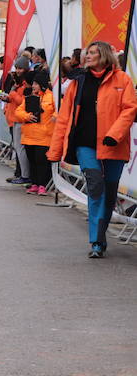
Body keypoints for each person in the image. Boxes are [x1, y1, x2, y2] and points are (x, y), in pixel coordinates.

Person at [47, 41, 137, 258]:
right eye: (87, 53)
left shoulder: (122, 80)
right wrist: (55, 151)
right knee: (95, 186)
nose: (87, 56)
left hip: (113, 146)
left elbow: (130, 109)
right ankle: (96, 241)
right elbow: (64, 119)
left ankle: (101, 233)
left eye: (93, 53)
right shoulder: (77, 82)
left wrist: (114, 135)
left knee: (109, 194)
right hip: (84, 145)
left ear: (104, 55)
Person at [14, 71, 54, 196]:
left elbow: (59, 112)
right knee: (32, 161)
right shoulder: (30, 97)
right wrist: (27, 116)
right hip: (29, 136)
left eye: (36, 84)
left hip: (44, 136)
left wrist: (54, 119)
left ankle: (43, 185)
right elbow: (18, 112)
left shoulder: (52, 97)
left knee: (41, 161)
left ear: (41, 84)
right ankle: (35, 184)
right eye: (34, 84)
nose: (34, 86)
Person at [2, 57, 32, 185]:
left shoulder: (26, 84)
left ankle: (23, 175)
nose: (18, 71)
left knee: (20, 148)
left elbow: (22, 101)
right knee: (17, 148)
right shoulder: (18, 83)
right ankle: (19, 173)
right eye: (17, 68)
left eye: (20, 68)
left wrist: (12, 95)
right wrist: (8, 99)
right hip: (13, 118)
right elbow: (14, 99)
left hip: (20, 119)